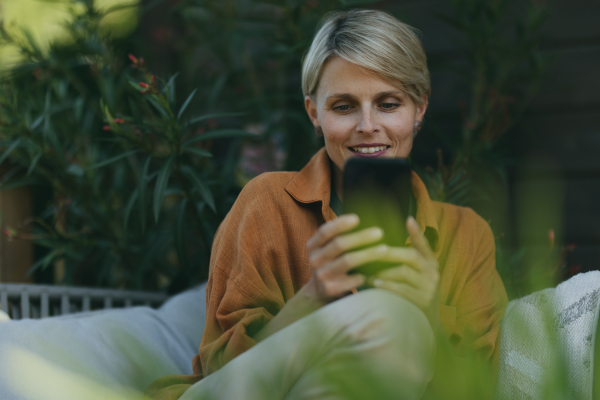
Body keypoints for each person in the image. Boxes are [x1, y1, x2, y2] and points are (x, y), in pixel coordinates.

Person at [145, 9, 508, 400]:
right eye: (343, 106)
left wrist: (431, 314)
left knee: (400, 323)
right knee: (393, 318)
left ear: (419, 109)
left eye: (388, 104)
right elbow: (223, 371)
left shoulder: (467, 235)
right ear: (313, 113)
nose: (367, 125)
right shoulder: (267, 202)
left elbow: (481, 389)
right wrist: (313, 297)